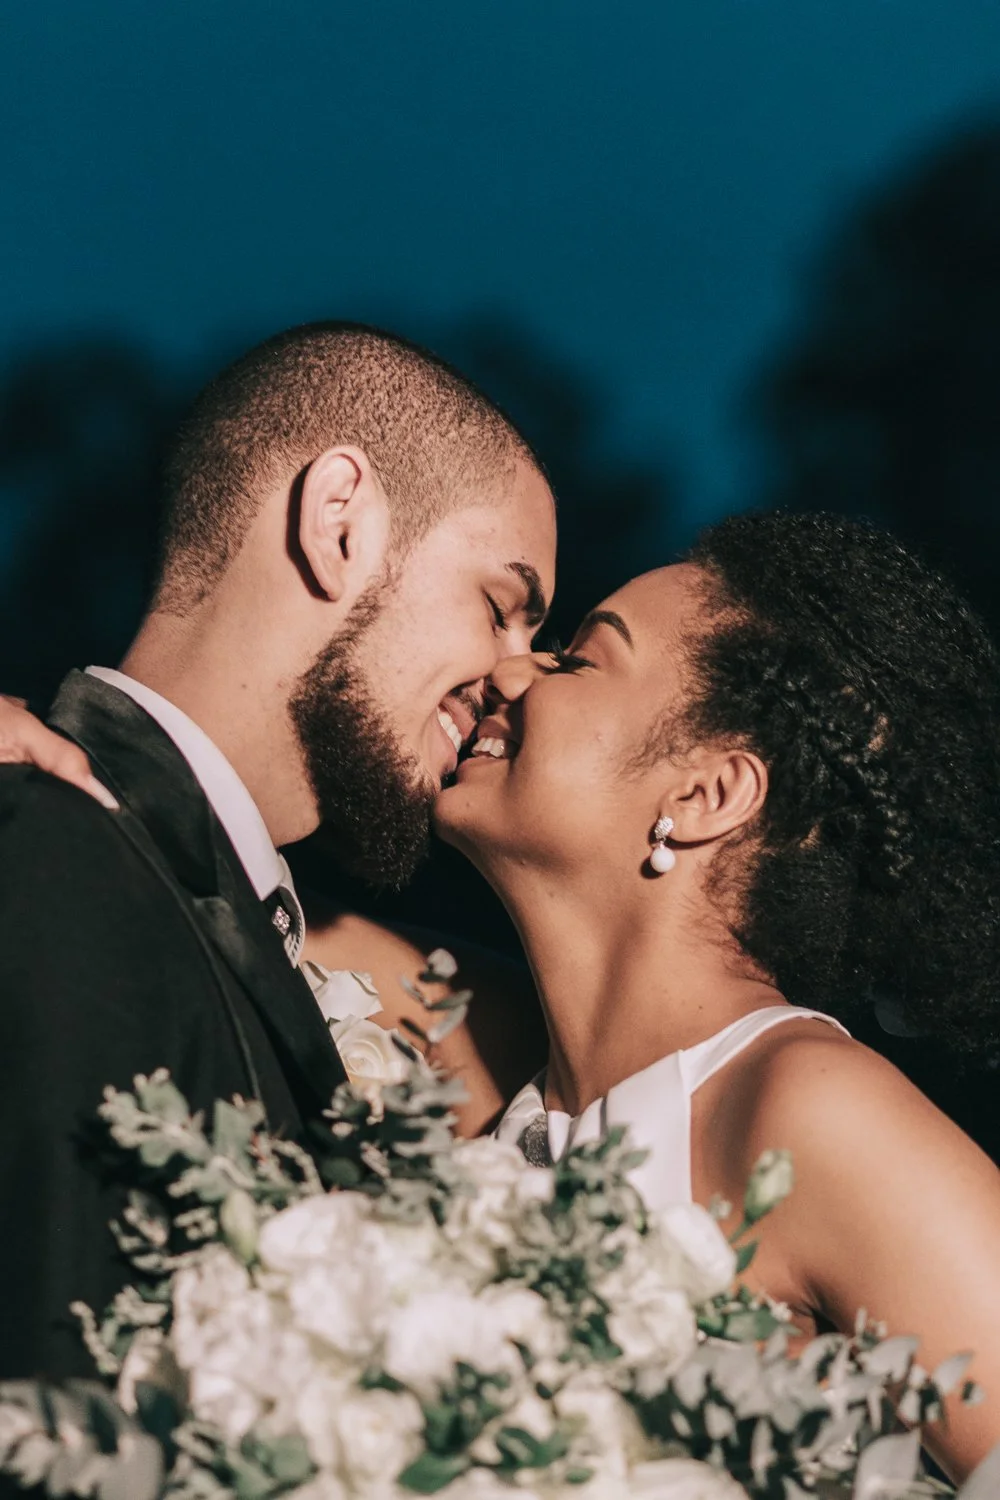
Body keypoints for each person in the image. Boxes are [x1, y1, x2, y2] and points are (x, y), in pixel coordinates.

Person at [0, 320, 556, 1379]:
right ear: (338, 521)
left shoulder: (240, 918)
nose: (513, 675)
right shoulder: (56, 851)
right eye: (500, 606)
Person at [429, 511, 1000, 1483]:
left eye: (579, 660)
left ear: (705, 796)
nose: (509, 672)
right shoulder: (464, 1048)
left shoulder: (814, 1111)